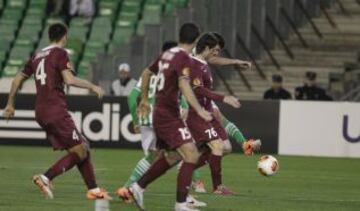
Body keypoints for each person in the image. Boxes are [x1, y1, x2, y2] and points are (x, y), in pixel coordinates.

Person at [2, 23, 110, 200]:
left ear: (49, 37)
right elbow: (69, 79)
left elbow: (16, 81)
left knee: (82, 149)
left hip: (41, 111)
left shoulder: (37, 56)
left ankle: (94, 190)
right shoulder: (60, 53)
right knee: (80, 150)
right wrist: (92, 86)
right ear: (65, 36)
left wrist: (10, 105)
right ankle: (45, 177)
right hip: (55, 110)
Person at [126, 23, 212, 211]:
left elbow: (147, 72)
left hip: (160, 112)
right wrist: (198, 109)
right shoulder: (183, 58)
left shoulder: (168, 54)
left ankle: (137, 187)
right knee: (191, 154)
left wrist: (144, 100)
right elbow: (184, 85)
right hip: (168, 115)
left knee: (172, 156)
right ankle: (181, 205)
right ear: (196, 40)